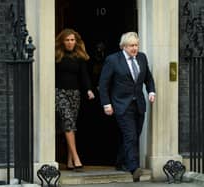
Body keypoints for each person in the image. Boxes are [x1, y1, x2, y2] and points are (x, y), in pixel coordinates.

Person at [98, 31, 156, 182]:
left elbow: (148, 78)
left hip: (139, 104)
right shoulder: (113, 60)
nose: (135, 48)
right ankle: (134, 168)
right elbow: (103, 84)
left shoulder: (142, 58)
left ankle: (120, 161)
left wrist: (151, 91)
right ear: (123, 46)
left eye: (136, 45)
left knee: (134, 134)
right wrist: (106, 104)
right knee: (130, 135)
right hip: (121, 105)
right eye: (131, 45)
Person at [55, 28, 95, 171]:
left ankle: (69, 161)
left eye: (72, 40)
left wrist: (89, 90)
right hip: (60, 93)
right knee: (68, 123)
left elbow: (84, 75)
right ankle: (77, 159)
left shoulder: (79, 56)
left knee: (71, 125)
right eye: (67, 40)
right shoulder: (57, 56)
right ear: (62, 41)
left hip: (75, 94)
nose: (70, 43)